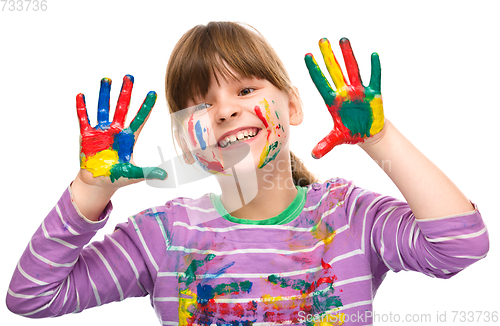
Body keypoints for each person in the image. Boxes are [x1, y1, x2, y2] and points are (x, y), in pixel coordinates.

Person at [6, 21, 489, 325]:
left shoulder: (347, 216)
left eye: (246, 89)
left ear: (293, 105)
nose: (223, 111)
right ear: (183, 140)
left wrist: (380, 139)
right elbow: (32, 297)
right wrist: (90, 189)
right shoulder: (163, 234)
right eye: (201, 103)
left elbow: (461, 247)